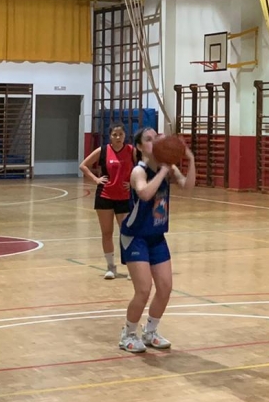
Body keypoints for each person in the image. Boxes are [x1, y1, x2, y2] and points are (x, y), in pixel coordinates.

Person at [118, 128, 195, 353]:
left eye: (156, 138)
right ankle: (128, 334)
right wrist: (163, 171)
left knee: (165, 287)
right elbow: (144, 193)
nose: (154, 142)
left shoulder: (167, 168)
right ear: (140, 147)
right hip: (135, 236)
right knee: (143, 289)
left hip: (156, 236)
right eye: (148, 139)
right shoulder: (139, 171)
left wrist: (189, 159)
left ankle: (150, 331)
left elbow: (188, 186)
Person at [79, 125, 136, 279]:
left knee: (127, 233)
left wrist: (133, 182)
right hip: (104, 197)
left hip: (124, 197)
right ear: (110, 136)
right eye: (115, 134)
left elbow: (143, 168)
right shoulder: (103, 150)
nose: (118, 137)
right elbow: (83, 165)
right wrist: (96, 179)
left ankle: (131, 267)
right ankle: (111, 267)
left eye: (121, 134)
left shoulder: (131, 150)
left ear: (125, 135)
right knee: (107, 233)